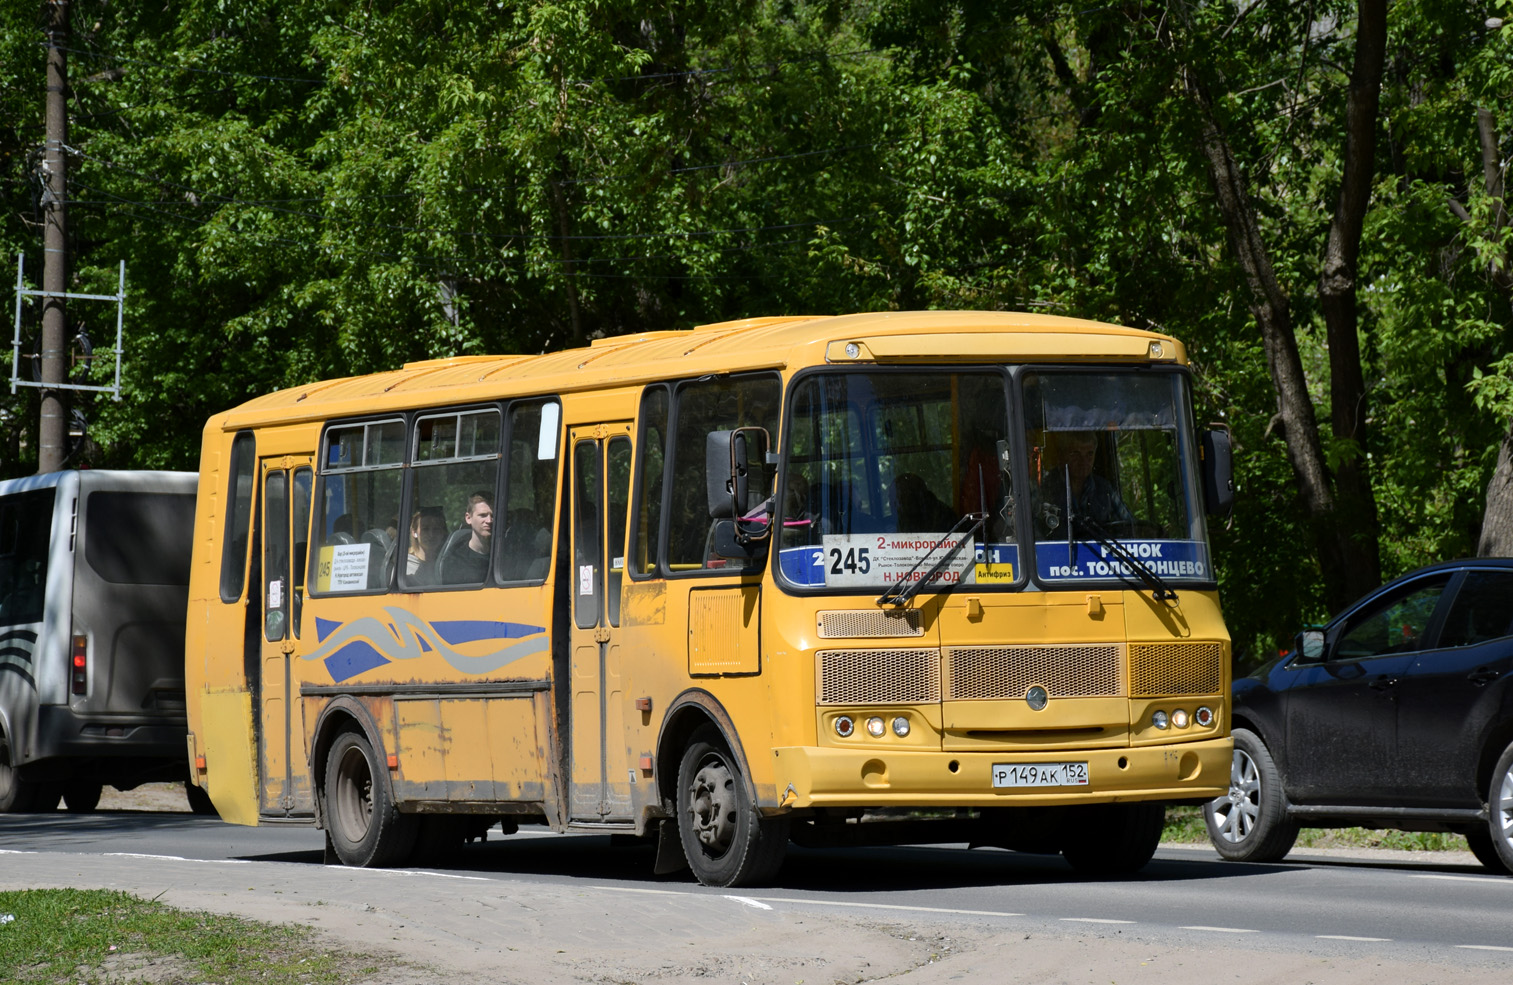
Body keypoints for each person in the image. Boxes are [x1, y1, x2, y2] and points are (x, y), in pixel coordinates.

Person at [1036, 431, 1132, 535]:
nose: (1083, 461)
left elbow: (1128, 526)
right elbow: (1035, 534)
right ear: (1062, 456)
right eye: (1076, 453)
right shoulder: (1046, 488)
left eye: (1089, 454)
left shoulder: (1104, 489)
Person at [440, 492, 493, 584]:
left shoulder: (507, 554)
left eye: (493, 516)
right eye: (483, 515)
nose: (489, 521)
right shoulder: (454, 561)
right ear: (468, 518)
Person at [405, 506, 448, 586]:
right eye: (425, 529)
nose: (431, 535)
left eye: (436, 529)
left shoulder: (448, 564)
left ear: (443, 533)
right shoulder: (404, 565)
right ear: (414, 532)